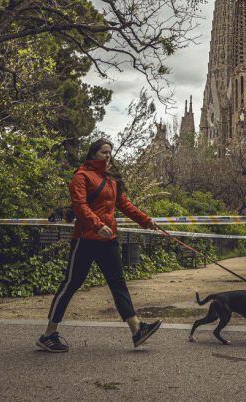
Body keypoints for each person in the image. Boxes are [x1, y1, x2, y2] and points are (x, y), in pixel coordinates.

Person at [37, 139, 162, 353]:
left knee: (118, 283)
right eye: (104, 152)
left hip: (108, 239)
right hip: (86, 239)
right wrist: (97, 225)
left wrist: (146, 220)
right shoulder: (81, 176)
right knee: (71, 284)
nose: (108, 155)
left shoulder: (111, 179)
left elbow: (124, 204)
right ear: (93, 153)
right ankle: (48, 335)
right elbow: (80, 206)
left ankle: (137, 329)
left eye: (110, 152)